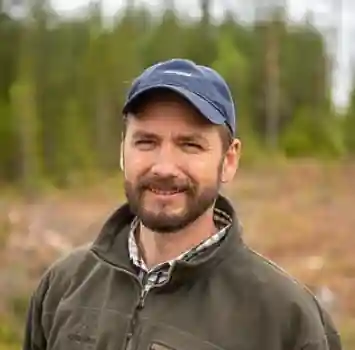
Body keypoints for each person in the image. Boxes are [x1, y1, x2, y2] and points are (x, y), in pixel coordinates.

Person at [22, 58, 342, 350]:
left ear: (228, 160)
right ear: (123, 151)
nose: (164, 167)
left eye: (189, 145)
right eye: (146, 142)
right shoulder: (63, 286)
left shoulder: (285, 318)